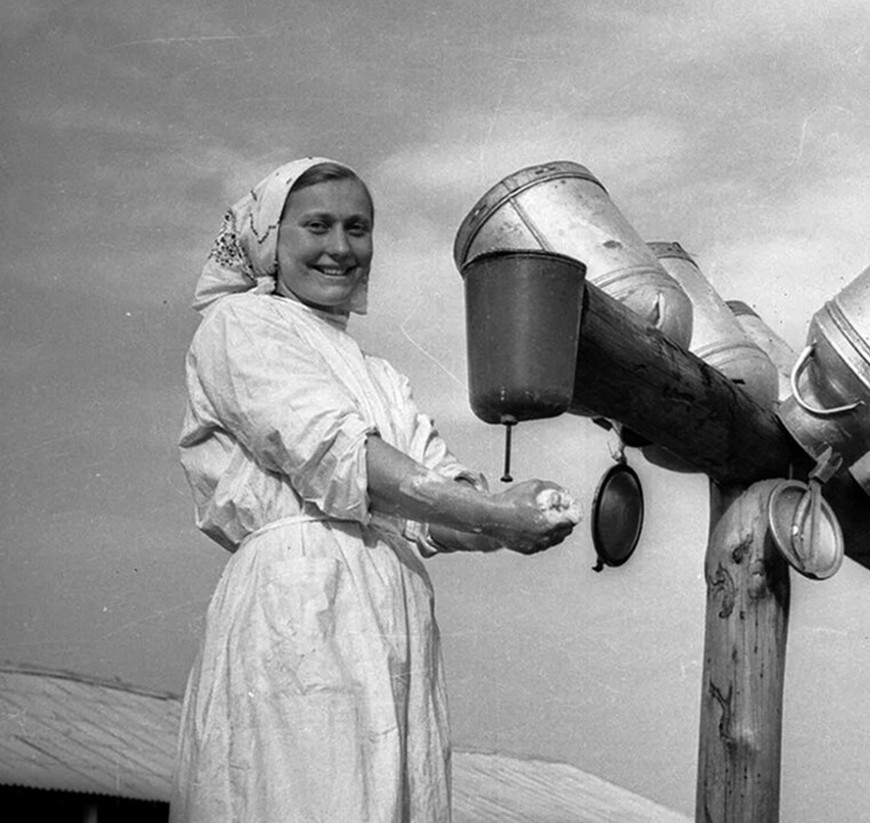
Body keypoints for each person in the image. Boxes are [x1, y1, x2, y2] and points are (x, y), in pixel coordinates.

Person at [171, 156, 580, 822]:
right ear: (270, 237)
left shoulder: (381, 376)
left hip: (392, 616)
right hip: (300, 603)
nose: (340, 247)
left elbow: (428, 503)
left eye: (357, 228)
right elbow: (336, 454)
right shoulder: (241, 325)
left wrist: (509, 521)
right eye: (317, 226)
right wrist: (489, 512)